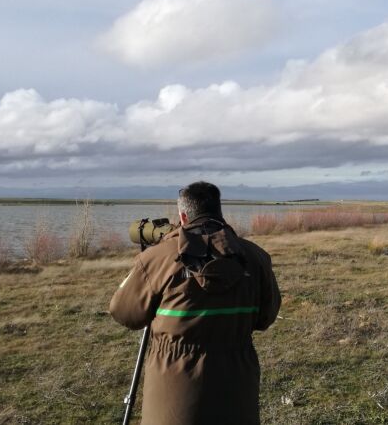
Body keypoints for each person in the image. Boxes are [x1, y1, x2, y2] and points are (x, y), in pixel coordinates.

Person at [109, 181, 281, 425]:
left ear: (182, 215)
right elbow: (266, 317)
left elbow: (125, 314)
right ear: (219, 212)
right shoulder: (256, 257)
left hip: (172, 397)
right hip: (237, 390)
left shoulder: (157, 259)